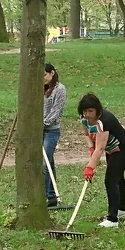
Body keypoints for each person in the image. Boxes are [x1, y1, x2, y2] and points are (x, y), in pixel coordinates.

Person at [79, 93, 125, 228]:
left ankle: (112, 219)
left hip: (122, 147)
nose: (87, 114)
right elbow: (87, 134)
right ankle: (121, 209)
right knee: (117, 177)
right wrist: (90, 148)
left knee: (111, 180)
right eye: (85, 111)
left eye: (91, 111)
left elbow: (100, 148)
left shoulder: (103, 122)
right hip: (111, 148)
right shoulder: (84, 119)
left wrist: (90, 167)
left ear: (98, 110)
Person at [43, 63, 67, 208]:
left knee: (45, 163)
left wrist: (44, 123)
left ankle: (46, 196)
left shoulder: (60, 89)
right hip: (38, 130)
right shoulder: (40, 89)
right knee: (49, 162)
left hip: (51, 131)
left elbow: (57, 110)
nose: (43, 79)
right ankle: (52, 197)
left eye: (44, 75)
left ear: (52, 73)